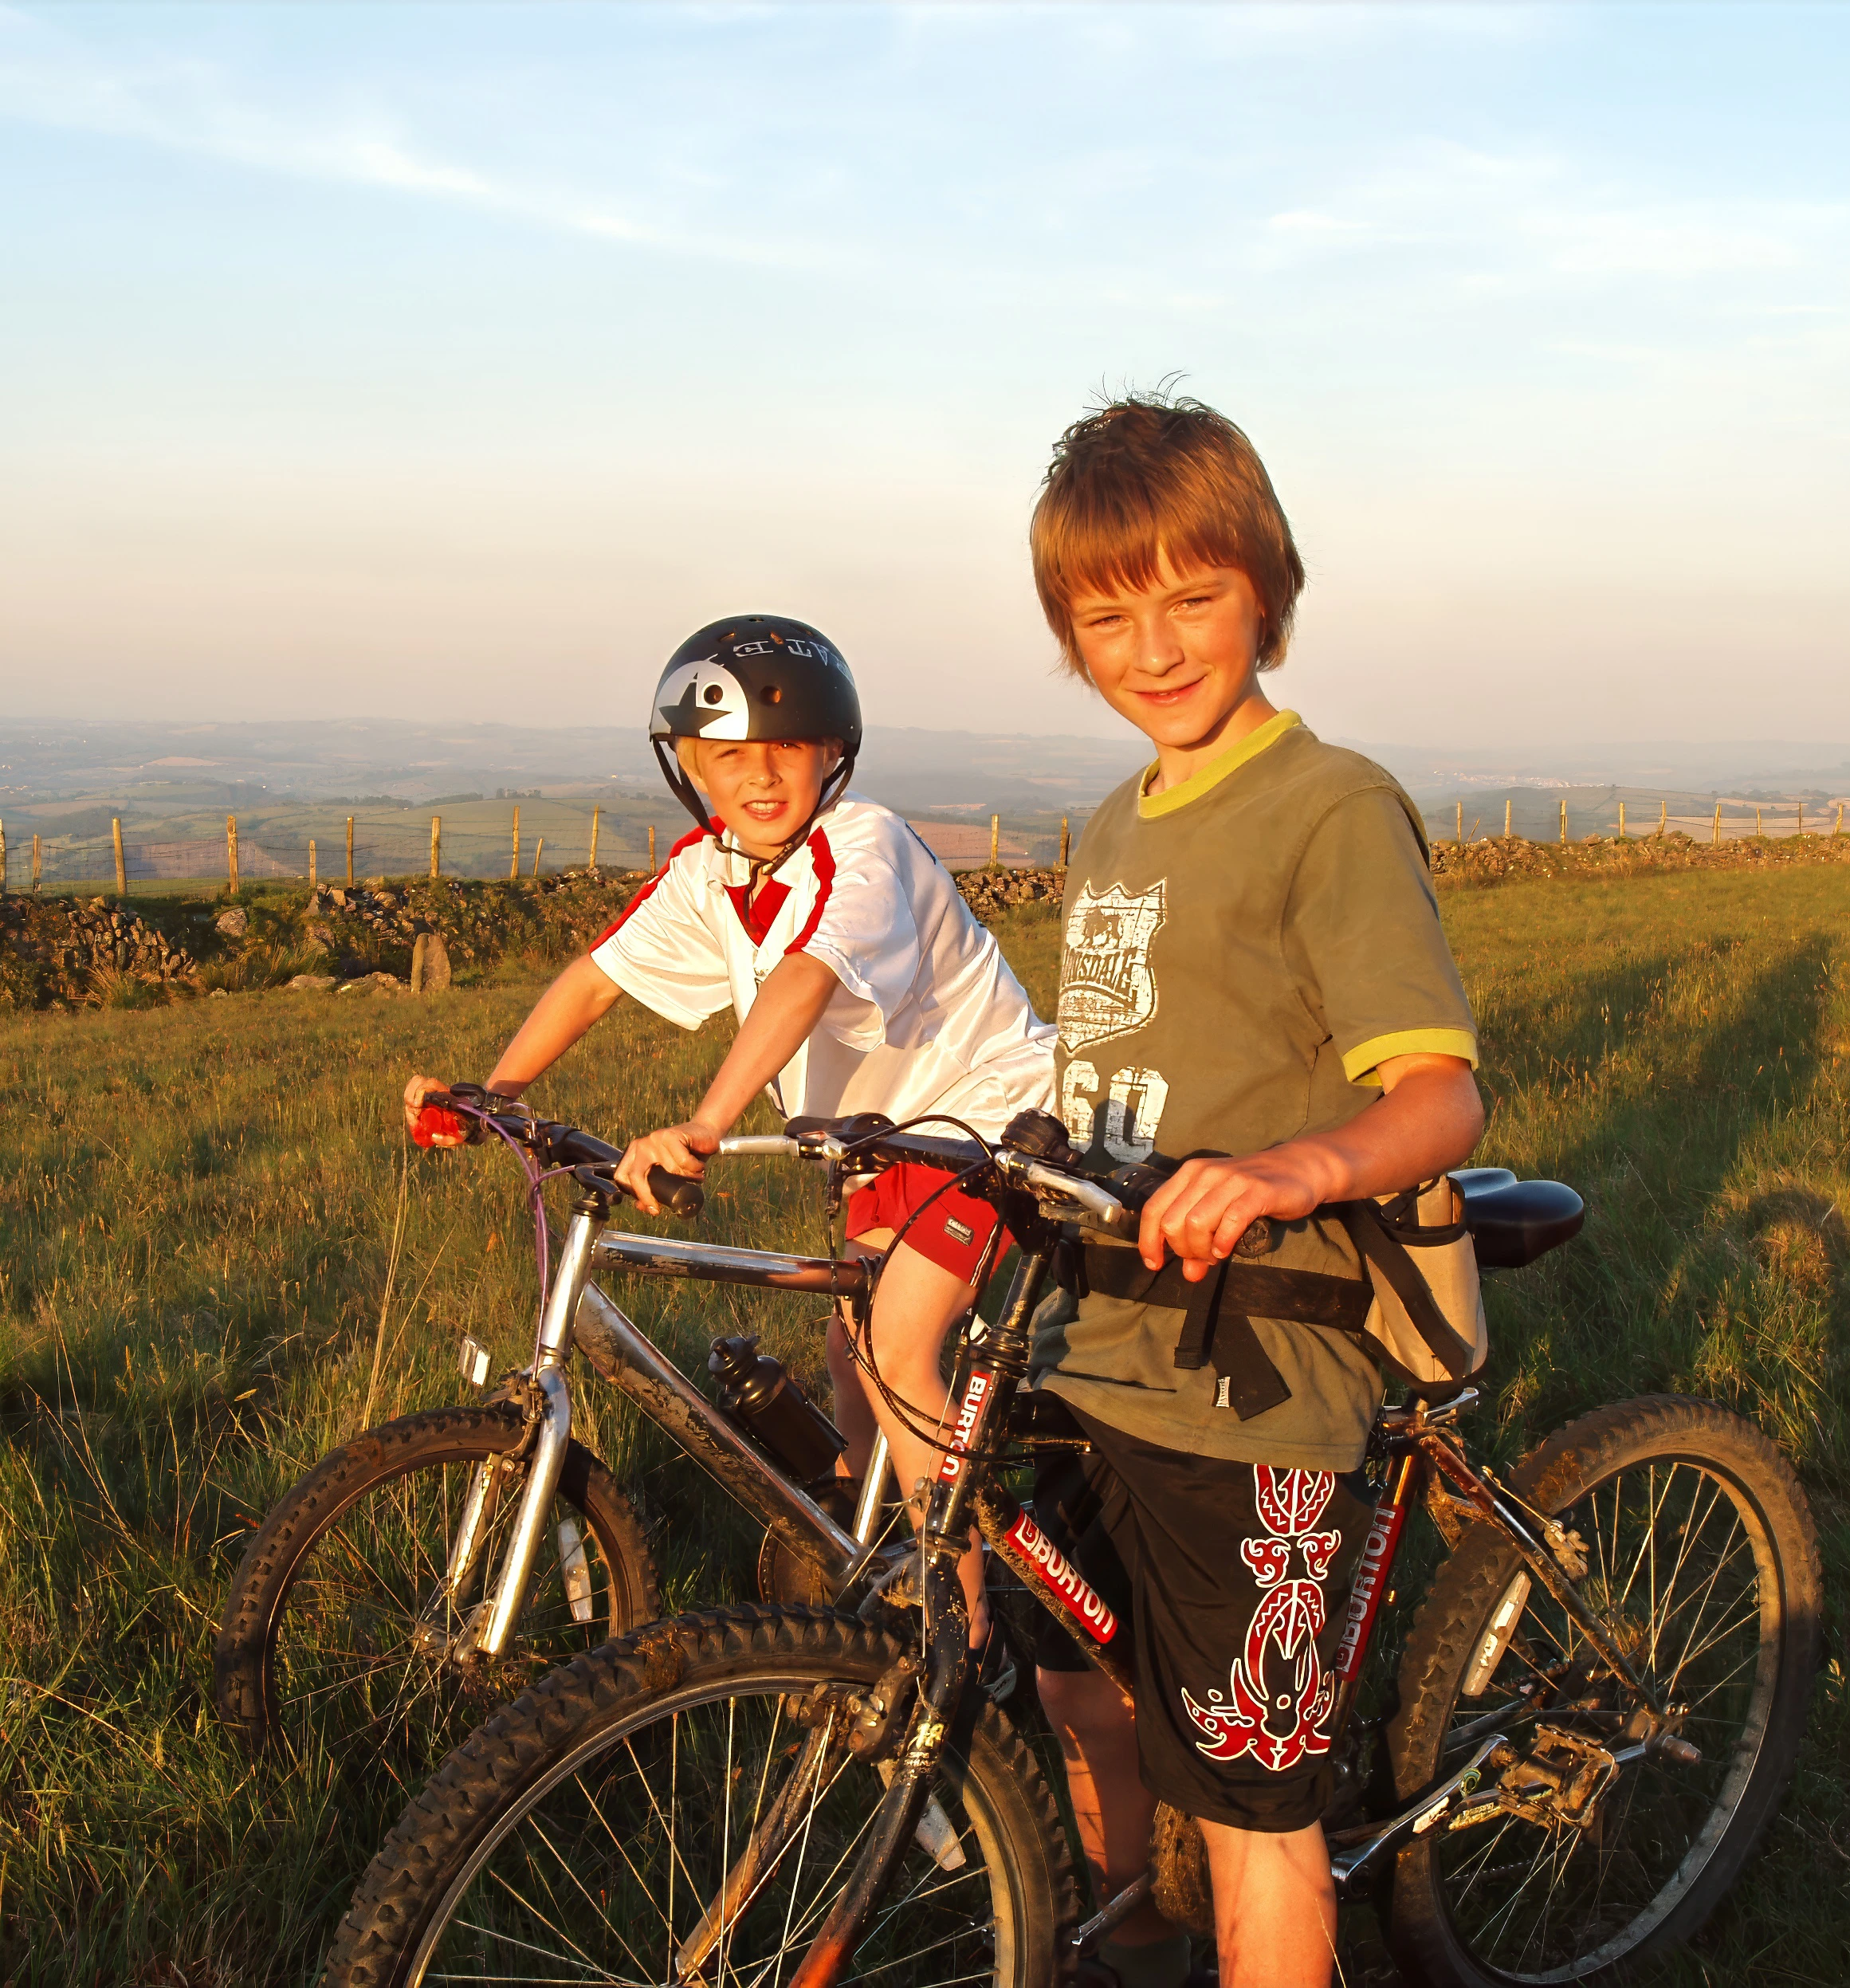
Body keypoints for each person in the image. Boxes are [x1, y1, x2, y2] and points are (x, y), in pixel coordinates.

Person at [1019, 395, 1485, 1988]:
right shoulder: (1104, 827)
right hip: (1095, 1345)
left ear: (1265, 590)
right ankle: (1123, 1937)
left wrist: (1292, 1165)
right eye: (1106, 614)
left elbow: (1439, 1093)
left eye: (1190, 598)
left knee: (1255, 1814)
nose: (1152, 648)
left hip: (1258, 1373)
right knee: (1082, 1685)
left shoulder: (1328, 805)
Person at [403, 614, 1055, 1633]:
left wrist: (704, 1125)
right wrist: (495, 1092)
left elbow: (803, 978)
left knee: (897, 1346)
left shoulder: (862, 845)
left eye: (786, 748)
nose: (759, 776)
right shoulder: (713, 871)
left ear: (833, 754)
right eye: (728, 755)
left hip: (982, 1122)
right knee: (852, 1354)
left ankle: (957, 1636)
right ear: (689, 767)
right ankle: (867, 1543)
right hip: (878, 1143)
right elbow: (596, 978)